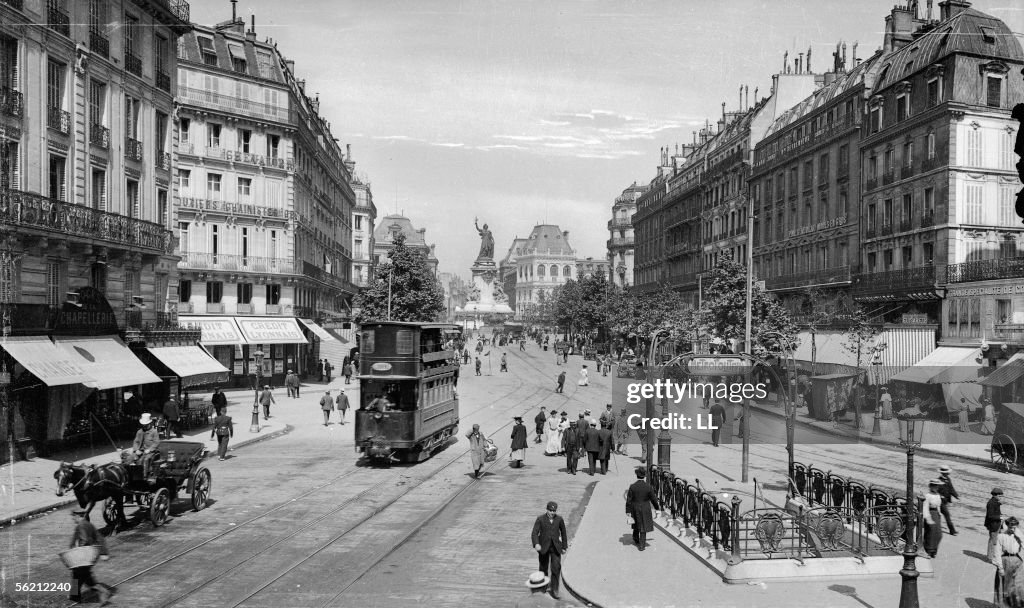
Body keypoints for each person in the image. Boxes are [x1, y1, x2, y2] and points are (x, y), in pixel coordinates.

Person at [67, 510, 112, 604]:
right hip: (90, 555)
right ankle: (74, 595)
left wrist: (77, 552)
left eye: (73, 516)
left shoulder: (82, 525)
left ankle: (103, 591)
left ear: (78, 516)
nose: (72, 518)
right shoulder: (88, 524)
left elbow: (84, 540)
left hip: (84, 555)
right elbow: (99, 537)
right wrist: (103, 552)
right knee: (78, 575)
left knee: (85, 577)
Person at [531, 501, 568, 600]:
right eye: (550, 510)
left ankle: (554, 590)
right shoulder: (540, 519)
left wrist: (564, 546)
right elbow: (534, 533)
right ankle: (543, 588)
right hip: (544, 547)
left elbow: (563, 533)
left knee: (556, 568)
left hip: (555, 547)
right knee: (543, 568)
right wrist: (536, 544)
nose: (552, 512)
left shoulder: (559, 519)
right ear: (547, 510)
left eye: (554, 511)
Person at [626, 466, 661, 551]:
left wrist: (628, 510)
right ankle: (642, 545)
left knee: (636, 522)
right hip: (645, 507)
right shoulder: (648, 487)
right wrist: (657, 507)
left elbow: (629, 500)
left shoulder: (632, 486)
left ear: (637, 476)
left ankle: (635, 537)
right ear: (644, 476)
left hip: (635, 507)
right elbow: (653, 499)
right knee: (643, 526)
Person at [994, 516, 1024, 607]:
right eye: (1011, 526)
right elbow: (997, 552)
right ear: (1007, 525)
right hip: (1005, 560)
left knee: (1017, 586)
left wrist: (1020, 537)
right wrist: (1000, 568)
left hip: (1017, 560)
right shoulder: (1001, 536)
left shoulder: (1019, 536)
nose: (1013, 528)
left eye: (1015, 526)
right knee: (1002, 586)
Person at [126, 413, 160, 478]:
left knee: (145, 459)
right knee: (130, 458)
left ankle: (144, 476)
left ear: (149, 424)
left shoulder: (154, 431)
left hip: (151, 452)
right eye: (143, 425)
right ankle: (130, 475)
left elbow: (156, 442)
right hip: (140, 450)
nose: (144, 426)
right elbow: (136, 442)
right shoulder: (139, 431)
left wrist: (149, 450)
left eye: (146, 425)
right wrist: (136, 450)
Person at [923, 479, 944, 558]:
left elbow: (938, 505)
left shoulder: (938, 495)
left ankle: (934, 550)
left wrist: (939, 514)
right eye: (935, 486)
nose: (936, 487)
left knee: (939, 534)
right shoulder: (927, 495)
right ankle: (928, 550)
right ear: (931, 486)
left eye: (937, 486)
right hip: (930, 514)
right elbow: (925, 507)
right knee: (930, 533)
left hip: (936, 515)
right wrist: (928, 518)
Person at [938, 465, 959, 535]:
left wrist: (956, 496)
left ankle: (933, 527)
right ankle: (952, 531)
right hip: (940, 502)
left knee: (939, 515)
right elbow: (936, 491)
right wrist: (941, 496)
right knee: (947, 515)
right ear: (944, 473)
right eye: (947, 472)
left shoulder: (948, 479)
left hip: (945, 501)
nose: (948, 473)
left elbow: (951, 488)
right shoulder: (939, 480)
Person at [988, 488, 1006, 563]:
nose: (1001, 497)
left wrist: (1000, 503)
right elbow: (990, 515)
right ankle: (990, 558)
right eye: (1000, 496)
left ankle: (993, 556)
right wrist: (999, 517)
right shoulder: (991, 503)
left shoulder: (995, 502)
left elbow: (996, 509)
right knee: (993, 541)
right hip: (993, 524)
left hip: (996, 524)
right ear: (995, 495)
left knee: (995, 540)